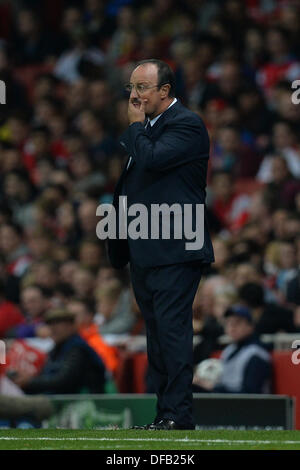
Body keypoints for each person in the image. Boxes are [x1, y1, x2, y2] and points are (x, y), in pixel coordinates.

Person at [107, 59, 214, 430]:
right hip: (146, 248)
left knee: (172, 333)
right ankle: (164, 415)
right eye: (131, 88)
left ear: (164, 91)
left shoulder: (186, 124)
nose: (134, 96)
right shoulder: (151, 128)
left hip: (175, 249)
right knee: (156, 336)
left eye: (142, 88)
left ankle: (179, 416)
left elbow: (151, 159)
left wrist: (135, 127)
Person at [193, 305, 272, 394]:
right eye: (228, 323)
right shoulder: (229, 350)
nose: (232, 327)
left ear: (250, 326)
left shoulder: (257, 354)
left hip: (247, 406)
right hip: (227, 403)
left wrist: (212, 387)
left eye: (237, 323)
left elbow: (251, 395)